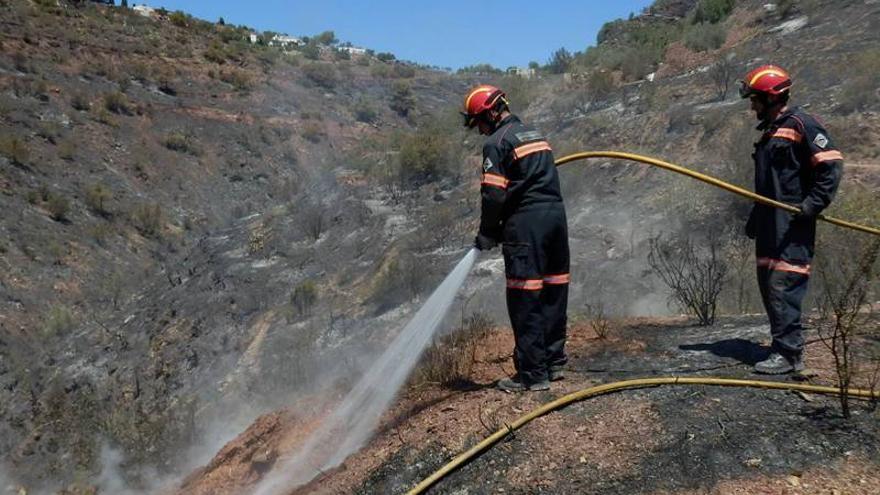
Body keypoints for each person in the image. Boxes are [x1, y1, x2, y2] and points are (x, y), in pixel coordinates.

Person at [462, 84, 570, 392]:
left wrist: (487, 232)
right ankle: (554, 362)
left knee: (525, 296)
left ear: (492, 113)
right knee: (553, 291)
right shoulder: (534, 134)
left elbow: (494, 195)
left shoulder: (496, 143)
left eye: (478, 122)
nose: (479, 130)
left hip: (526, 226)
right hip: (556, 220)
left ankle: (533, 375)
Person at [739, 65, 843, 374]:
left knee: (784, 285)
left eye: (755, 99)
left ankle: (790, 355)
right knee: (769, 285)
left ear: (772, 98)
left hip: (792, 227)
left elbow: (831, 167)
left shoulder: (802, 124)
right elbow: (771, 181)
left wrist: (812, 205)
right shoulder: (770, 132)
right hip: (770, 226)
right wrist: (757, 216)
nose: (752, 105)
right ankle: (780, 346)